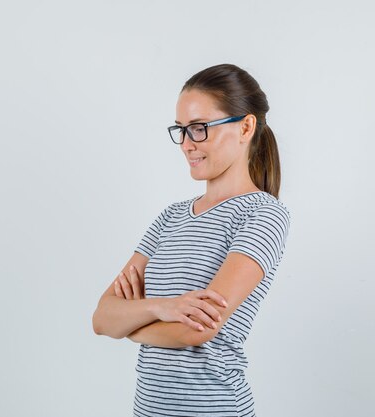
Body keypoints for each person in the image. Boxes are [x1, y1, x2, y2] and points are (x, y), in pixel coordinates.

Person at [92, 63, 291, 417]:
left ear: (245, 126)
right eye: (181, 130)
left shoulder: (262, 214)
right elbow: (103, 318)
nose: (186, 144)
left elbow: (195, 331)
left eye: (199, 129)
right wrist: (160, 308)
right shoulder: (171, 217)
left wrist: (132, 327)